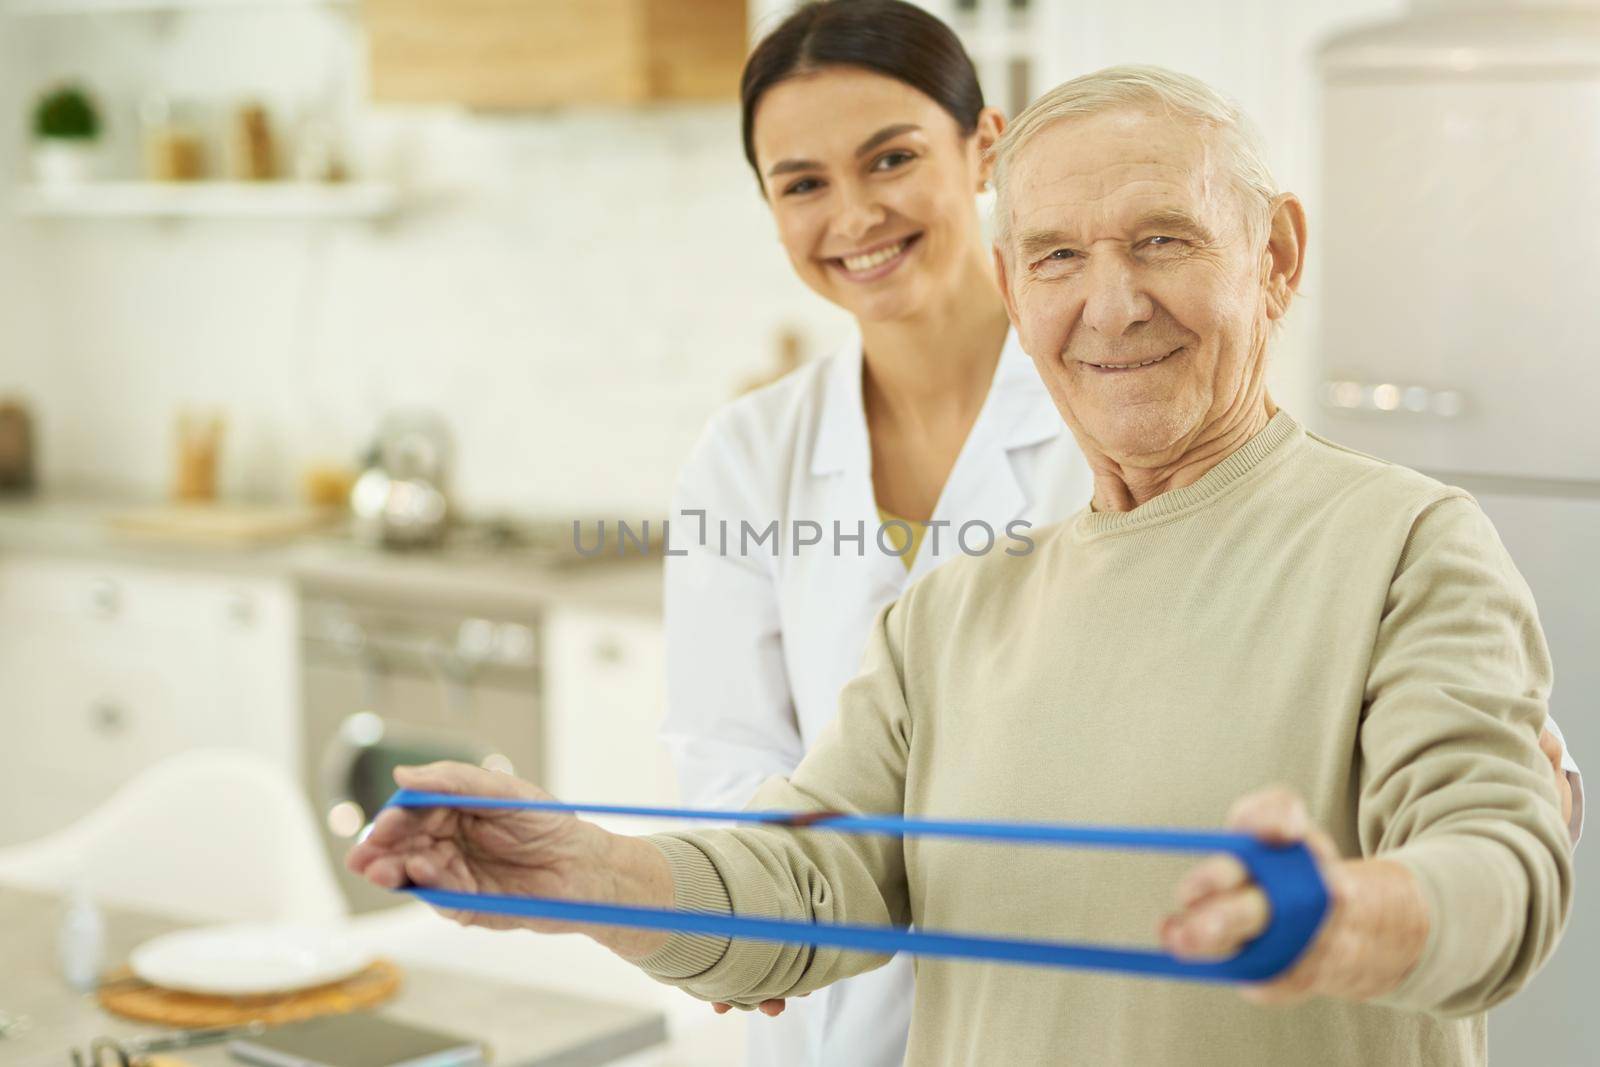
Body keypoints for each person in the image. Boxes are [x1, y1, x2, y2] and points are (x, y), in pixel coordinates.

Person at [351, 65, 1580, 1066]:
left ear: (1276, 256)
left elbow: (1503, 867)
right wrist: (590, 871)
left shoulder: (1408, 542)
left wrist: (1357, 919)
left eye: (1163, 240)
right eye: (1054, 257)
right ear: (1009, 283)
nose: (1110, 305)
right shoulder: (951, 612)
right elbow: (810, 876)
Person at [662, 3, 1089, 1063]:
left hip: (1065, 998)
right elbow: (727, 762)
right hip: (818, 1006)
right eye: (801, 182)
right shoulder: (747, 453)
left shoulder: (1107, 412)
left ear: (984, 145)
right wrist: (749, 924)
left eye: (889, 158)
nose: (852, 215)